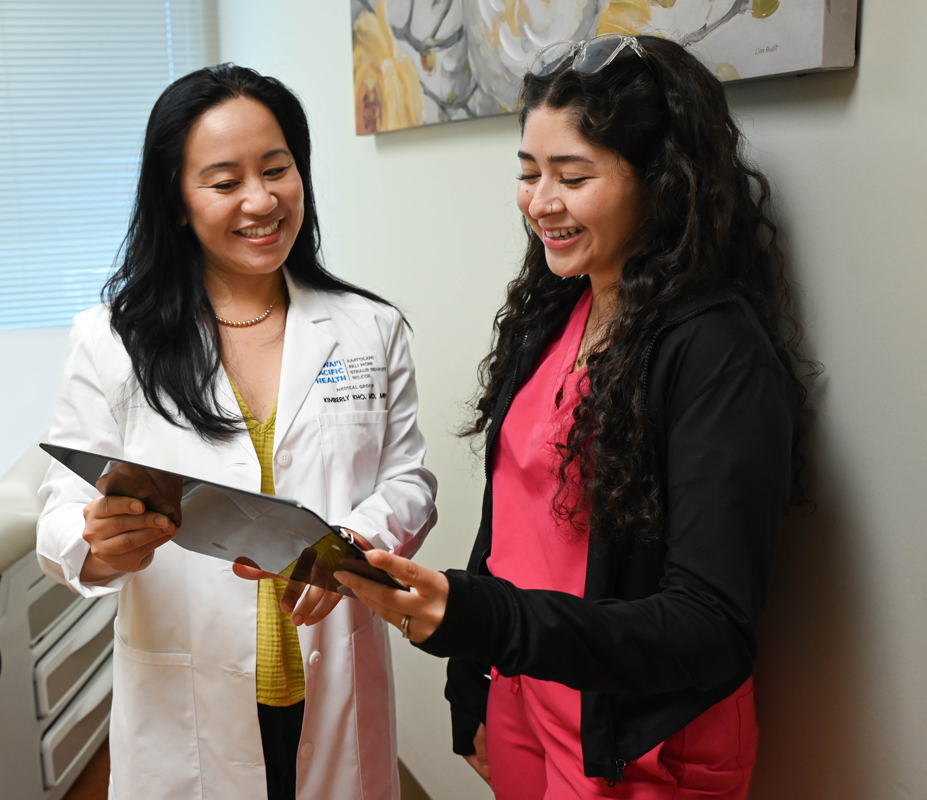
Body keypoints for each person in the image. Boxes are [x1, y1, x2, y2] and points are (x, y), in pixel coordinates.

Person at [336, 35, 812, 799]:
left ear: (662, 180)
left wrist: (485, 624)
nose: (540, 203)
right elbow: (512, 519)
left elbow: (711, 626)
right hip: (525, 698)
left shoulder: (718, 354)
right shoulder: (559, 305)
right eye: (528, 174)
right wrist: (475, 679)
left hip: (641, 743)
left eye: (573, 176)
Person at [36, 64, 437, 800]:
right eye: (224, 183)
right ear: (178, 203)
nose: (261, 200)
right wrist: (94, 541)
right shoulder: (110, 340)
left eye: (277, 169)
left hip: (332, 675)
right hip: (186, 697)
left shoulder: (369, 329)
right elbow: (60, 509)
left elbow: (409, 479)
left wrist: (350, 543)